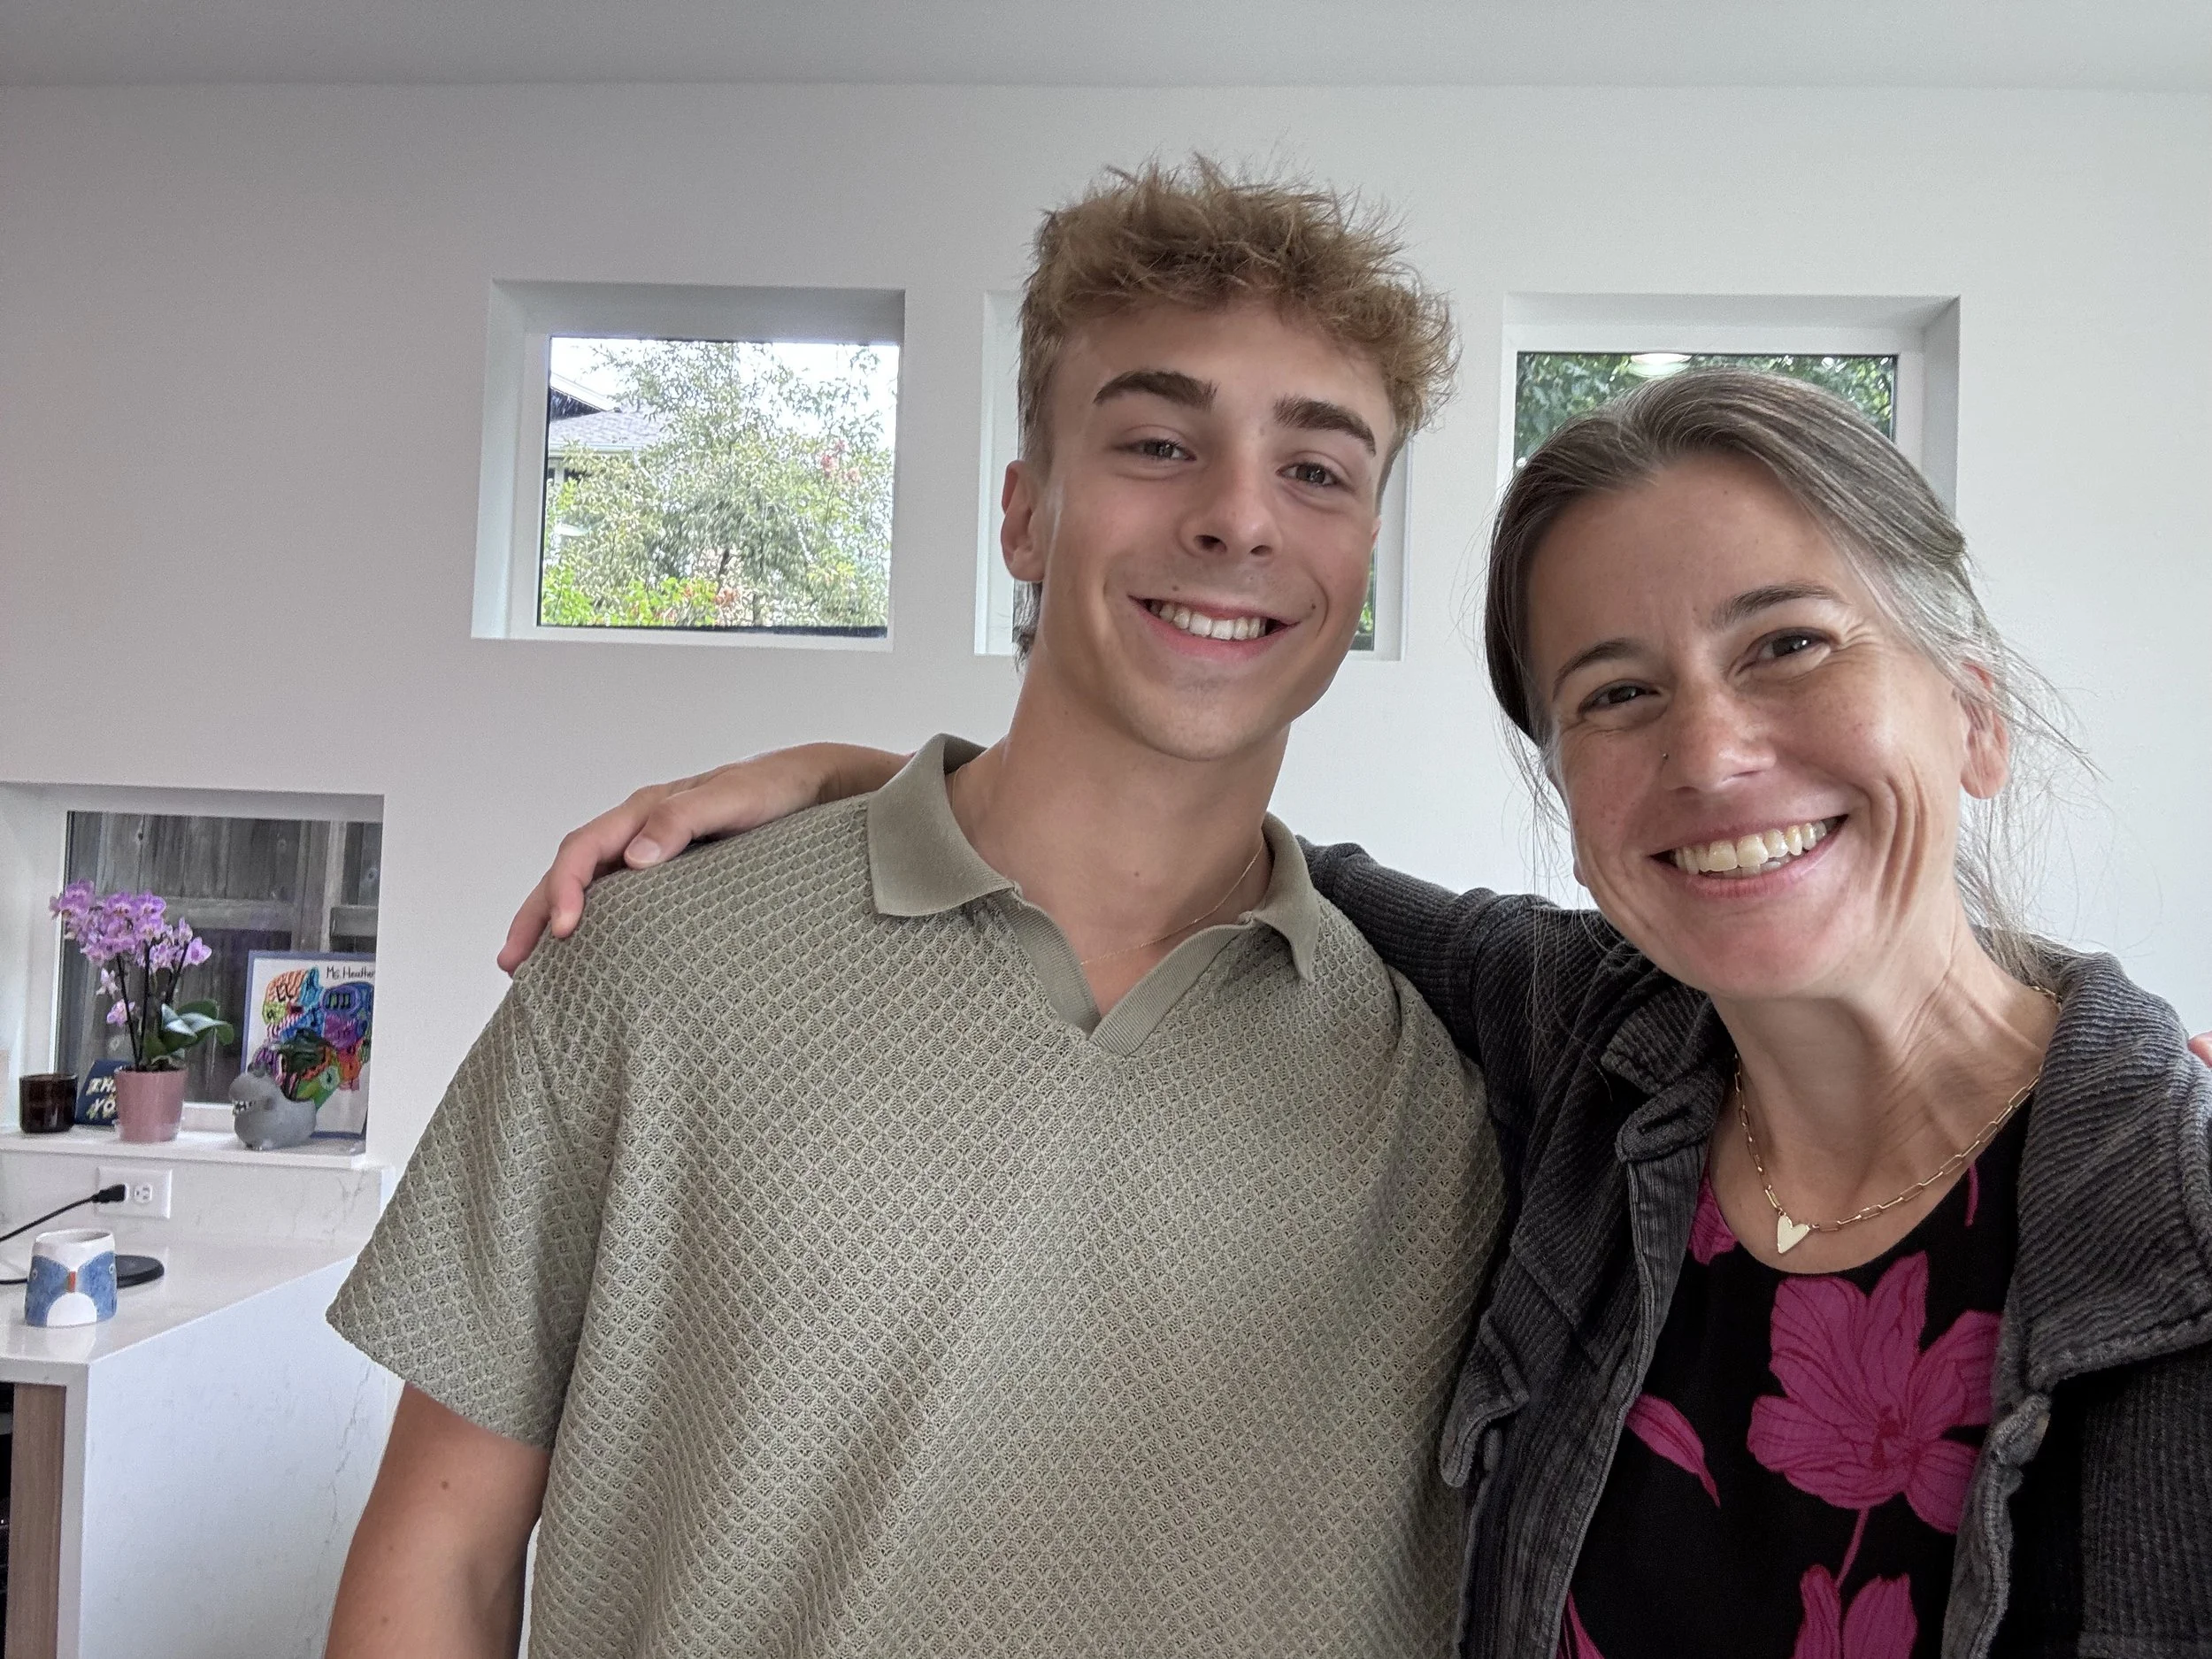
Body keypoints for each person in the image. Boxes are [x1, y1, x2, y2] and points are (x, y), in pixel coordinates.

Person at [511, 370, 2212, 1658]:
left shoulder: (2172, 1236)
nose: (1708, 756)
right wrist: (885, 782)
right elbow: (1224, 860)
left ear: (1974, 716)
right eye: (1616, 692)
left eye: (1789, 646)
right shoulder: (1589, 1057)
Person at [325, 159, 1509, 1659]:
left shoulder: (1454, 1102)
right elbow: (445, 1554)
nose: (1237, 518)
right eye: (1158, 440)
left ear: (1366, 559)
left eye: (1319, 471)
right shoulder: (649, 966)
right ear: (1024, 515)